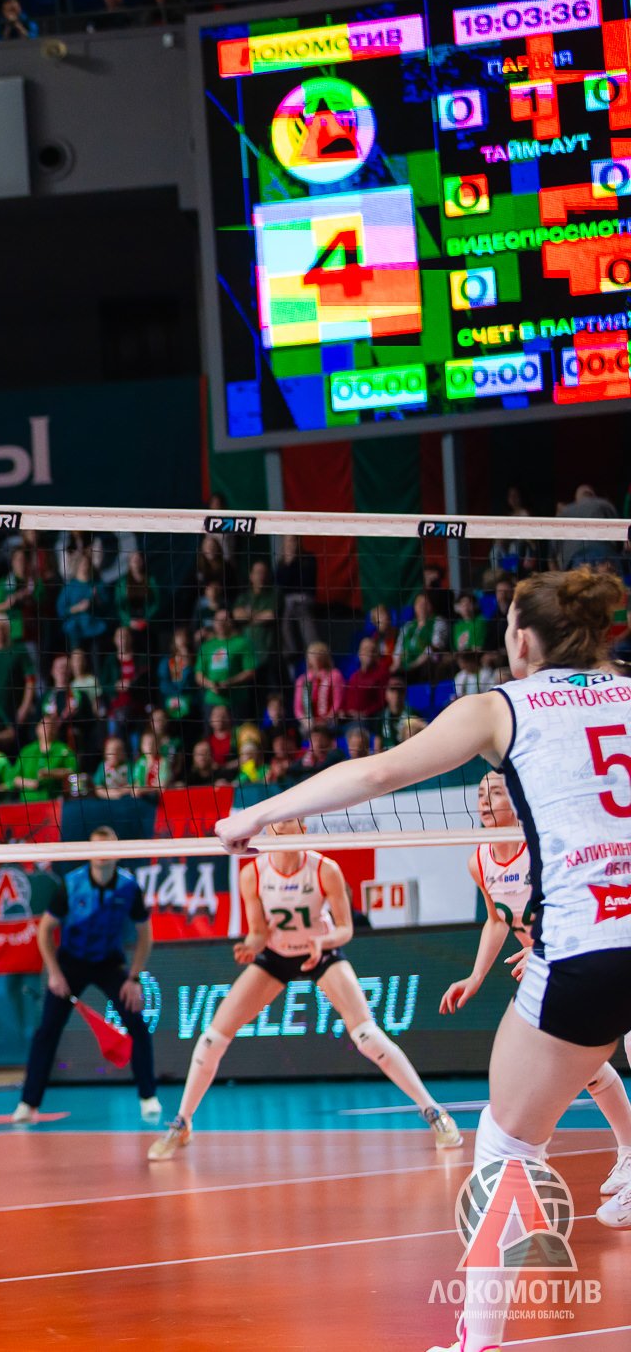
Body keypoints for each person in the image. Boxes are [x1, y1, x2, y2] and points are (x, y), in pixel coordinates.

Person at [213, 571, 631, 1352]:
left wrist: (258, 815)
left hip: (588, 949)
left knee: (507, 1144)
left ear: (522, 639)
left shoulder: (501, 707)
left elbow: (377, 773)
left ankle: (479, 1343)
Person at [149, 819, 463, 1161]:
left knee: (367, 1036)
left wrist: (321, 942)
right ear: (268, 830)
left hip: (321, 952)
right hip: (276, 955)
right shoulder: (253, 873)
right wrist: (250, 946)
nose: (281, 824)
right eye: (276, 821)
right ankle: (182, 1123)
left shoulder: (325, 869)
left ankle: (434, 1112)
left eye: (290, 819)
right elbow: (258, 931)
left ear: (302, 828)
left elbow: (345, 929)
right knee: (212, 1038)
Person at [440, 772, 631, 1228]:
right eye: (480, 794)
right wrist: (476, 976)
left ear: (518, 798)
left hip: (584, 951)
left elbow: (578, 901)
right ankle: (626, 1151)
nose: (485, 801)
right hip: (555, 969)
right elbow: (496, 920)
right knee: (584, 1065)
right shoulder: (479, 861)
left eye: (495, 792)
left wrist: (547, 946)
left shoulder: (544, 844)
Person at [12, 831, 159, 1124]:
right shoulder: (70, 885)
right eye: (96, 847)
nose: (102, 853)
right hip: (71, 963)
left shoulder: (129, 887)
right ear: (88, 851)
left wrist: (133, 978)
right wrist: (54, 973)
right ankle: (28, 1104)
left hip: (109, 963)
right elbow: (45, 931)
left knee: (137, 1023)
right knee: (47, 1030)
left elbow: (145, 935)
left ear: (117, 852)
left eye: (108, 847)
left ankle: (148, 1098)